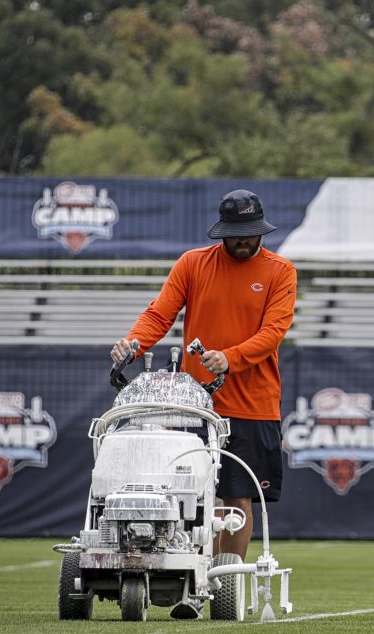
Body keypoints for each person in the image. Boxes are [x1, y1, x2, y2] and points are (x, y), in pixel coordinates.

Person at [110, 188, 297, 570]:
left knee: (238, 498)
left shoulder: (281, 271)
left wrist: (230, 358)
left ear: (262, 230)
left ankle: (224, 581)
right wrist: (132, 342)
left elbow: (273, 332)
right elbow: (158, 314)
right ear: (222, 231)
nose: (243, 240)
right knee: (192, 496)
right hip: (195, 404)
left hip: (253, 404)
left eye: (251, 231)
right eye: (236, 232)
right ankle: (194, 577)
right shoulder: (192, 264)